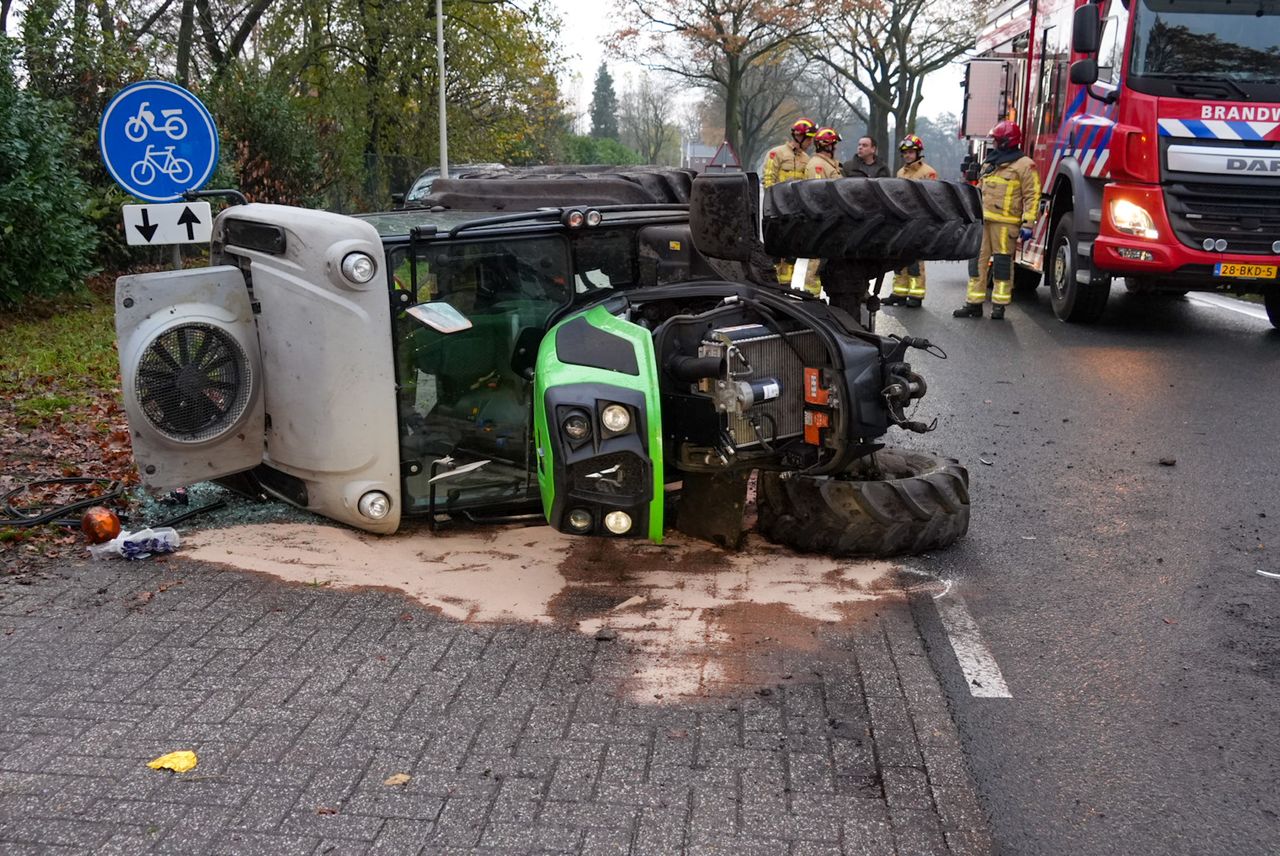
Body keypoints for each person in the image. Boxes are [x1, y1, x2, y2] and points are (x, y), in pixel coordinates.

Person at [954, 120, 1041, 321]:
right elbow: (980, 190)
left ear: (1006, 141)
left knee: (1002, 265)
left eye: (996, 139)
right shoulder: (990, 162)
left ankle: (999, 306)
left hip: (1006, 224)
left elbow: (1032, 195)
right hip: (983, 221)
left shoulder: (1025, 165)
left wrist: (1028, 223)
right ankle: (973, 304)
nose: (993, 143)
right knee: (976, 262)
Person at [883, 135, 938, 308]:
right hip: (902, 220)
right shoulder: (901, 173)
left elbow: (934, 199)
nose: (907, 155)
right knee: (898, 258)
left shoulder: (928, 172)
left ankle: (916, 294)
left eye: (911, 152)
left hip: (920, 220)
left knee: (915, 259)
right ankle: (899, 292)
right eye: (905, 152)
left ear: (918, 152)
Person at [762, 118, 817, 285]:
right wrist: (777, 206)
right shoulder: (776, 153)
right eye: (808, 138)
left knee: (791, 254)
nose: (810, 142)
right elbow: (768, 180)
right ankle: (772, 287)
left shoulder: (807, 159)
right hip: (776, 213)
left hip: (795, 214)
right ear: (798, 136)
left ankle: (786, 286)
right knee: (775, 254)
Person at [800, 127, 843, 296]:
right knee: (817, 260)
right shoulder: (817, 165)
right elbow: (818, 194)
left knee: (823, 259)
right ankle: (811, 295)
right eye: (834, 144)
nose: (836, 148)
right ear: (827, 145)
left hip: (830, 219)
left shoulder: (828, 164)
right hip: (823, 219)